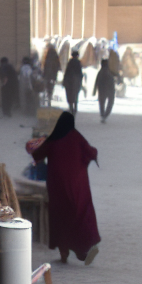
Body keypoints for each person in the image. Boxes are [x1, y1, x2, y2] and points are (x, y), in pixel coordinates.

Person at [30, 110, 101, 265]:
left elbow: (37, 155)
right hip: (78, 185)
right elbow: (90, 152)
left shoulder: (54, 139)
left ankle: (64, 253)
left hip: (57, 187)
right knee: (79, 213)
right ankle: (83, 250)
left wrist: (34, 146)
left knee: (60, 217)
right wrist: (93, 152)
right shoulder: (77, 137)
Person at [93, 55, 117, 122]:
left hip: (102, 90)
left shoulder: (100, 72)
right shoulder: (111, 72)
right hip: (110, 90)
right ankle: (105, 115)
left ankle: (103, 115)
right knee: (110, 102)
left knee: (102, 103)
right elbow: (115, 78)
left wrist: (94, 91)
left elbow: (96, 82)